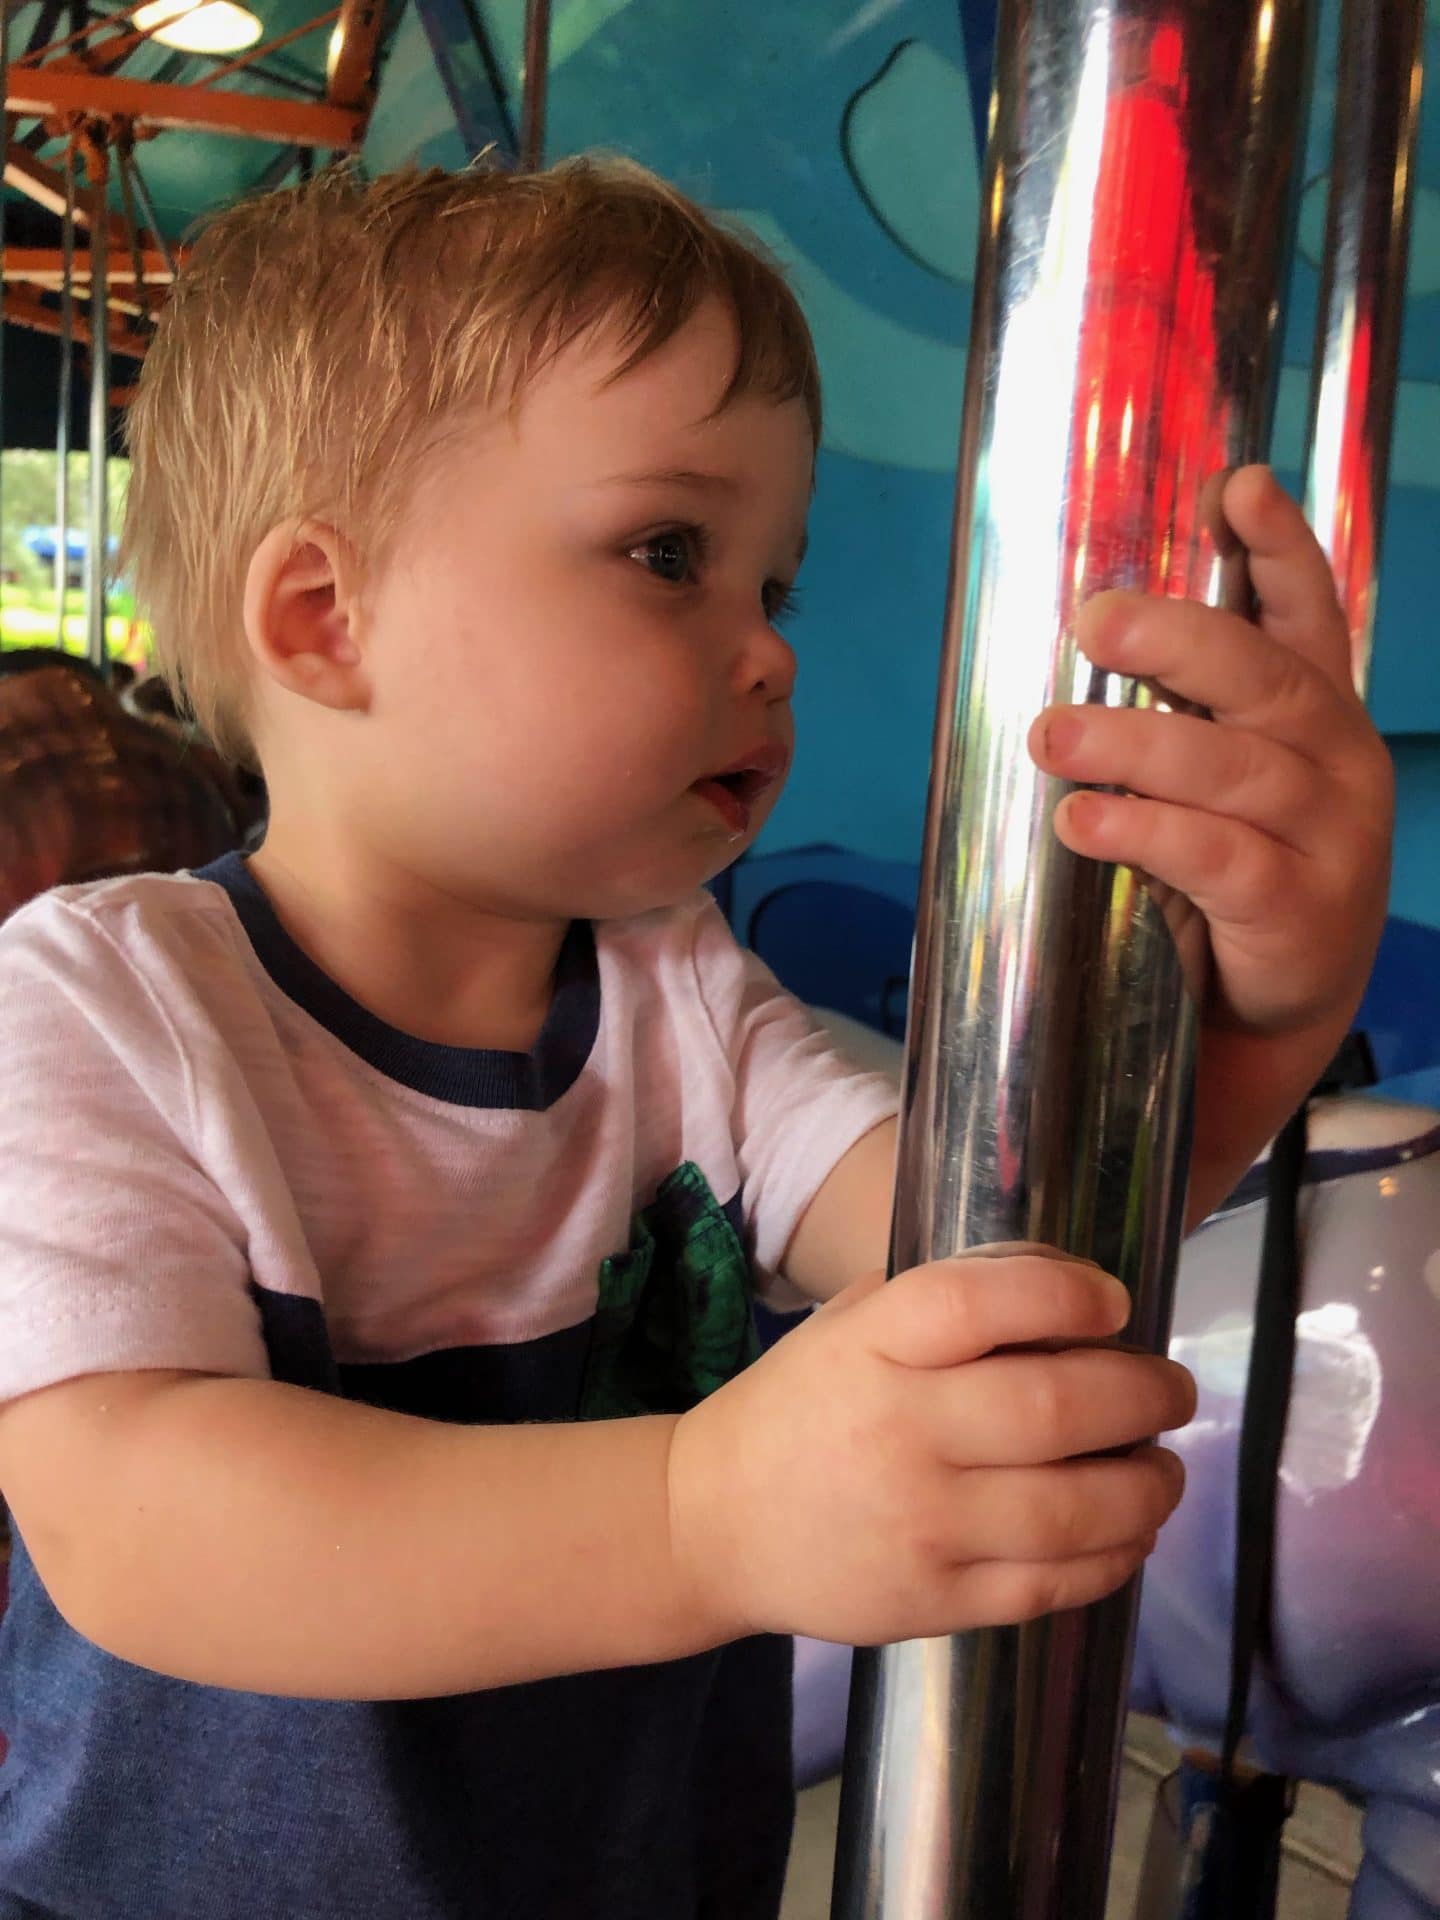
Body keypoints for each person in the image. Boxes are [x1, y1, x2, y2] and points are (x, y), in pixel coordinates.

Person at [0, 159, 1391, 1919]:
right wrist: (693, 1515)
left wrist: (1268, 1018)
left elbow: (996, 1249)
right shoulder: (105, 1005)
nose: (767, 657)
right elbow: (134, 1522)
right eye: (671, 554)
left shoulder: (683, 996)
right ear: (324, 620)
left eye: (775, 588)